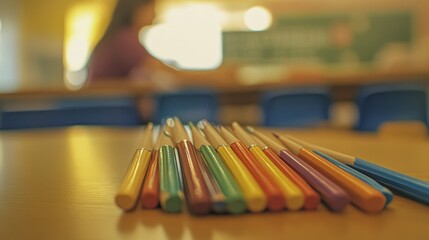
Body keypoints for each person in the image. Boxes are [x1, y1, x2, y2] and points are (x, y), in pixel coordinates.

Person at [86, 0, 156, 84]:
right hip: (107, 96)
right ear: (137, 10)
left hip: (100, 95)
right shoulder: (126, 38)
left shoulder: (115, 36)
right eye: (152, 9)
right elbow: (155, 68)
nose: (155, 15)